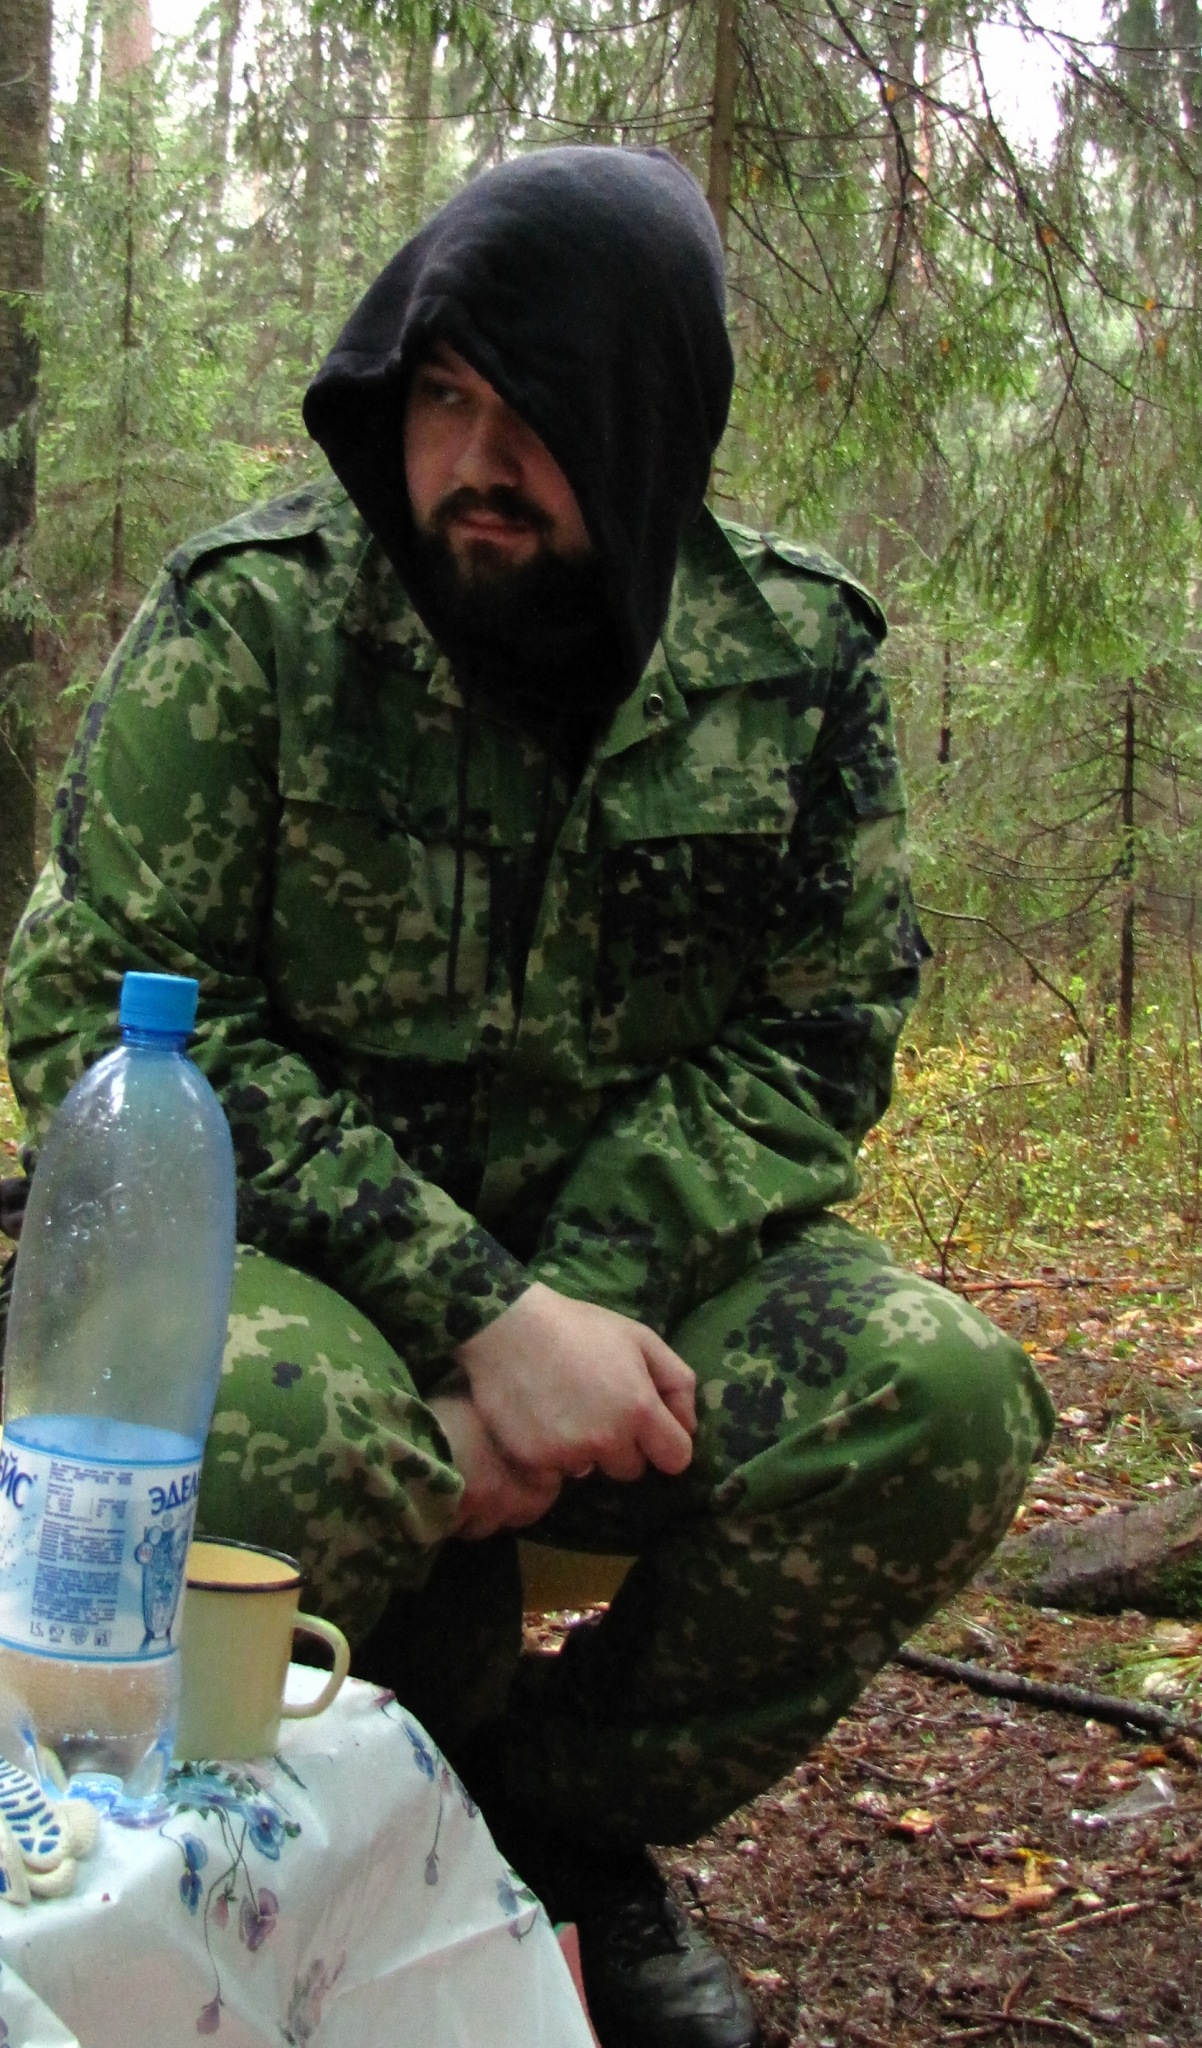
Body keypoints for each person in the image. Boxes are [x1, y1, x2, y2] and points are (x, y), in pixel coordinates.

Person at [1, 146, 1053, 2048]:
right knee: (250, 1424)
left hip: (645, 1278)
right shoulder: (257, 622)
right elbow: (103, 1005)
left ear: (648, 420)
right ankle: (230, 1863)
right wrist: (484, 1316)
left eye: (537, 410)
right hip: (311, 1263)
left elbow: (819, 1034)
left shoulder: (791, 662)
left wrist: (580, 1309)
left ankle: (544, 1829)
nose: (474, 461)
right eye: (441, 396)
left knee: (935, 1400)